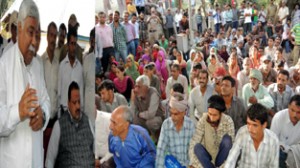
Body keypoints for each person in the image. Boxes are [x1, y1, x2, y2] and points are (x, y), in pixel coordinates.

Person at [0, 1, 50, 167]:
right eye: (30, 32)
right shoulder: (3, 65)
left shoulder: (38, 65)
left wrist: (43, 116)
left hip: (36, 161)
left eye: (38, 34)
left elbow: (46, 100)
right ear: (19, 28)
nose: (35, 42)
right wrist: (18, 112)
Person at [46, 82, 94, 167]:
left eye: (79, 102)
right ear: (68, 103)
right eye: (74, 103)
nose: (78, 106)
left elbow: (95, 150)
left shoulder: (88, 121)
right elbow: (49, 160)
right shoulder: (59, 125)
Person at [225, 103, 279, 168]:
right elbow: (231, 159)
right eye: (248, 123)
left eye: (255, 125)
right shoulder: (242, 132)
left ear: (264, 125)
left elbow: (273, 165)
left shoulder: (273, 140)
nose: (250, 129)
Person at [189, 95, 235, 168]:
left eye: (215, 115)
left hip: (221, 160)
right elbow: (193, 143)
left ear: (221, 114)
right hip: (207, 160)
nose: (212, 118)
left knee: (227, 141)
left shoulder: (228, 121)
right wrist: (200, 166)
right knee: (197, 147)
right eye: (210, 114)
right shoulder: (203, 120)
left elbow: (232, 151)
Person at [156, 93, 195, 168]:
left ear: (184, 112)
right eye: (171, 113)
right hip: (171, 164)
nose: (172, 117)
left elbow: (193, 149)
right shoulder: (166, 124)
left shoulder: (190, 125)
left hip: (186, 164)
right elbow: (161, 150)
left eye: (176, 114)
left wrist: (191, 164)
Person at [130, 75, 164, 142]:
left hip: (157, 118)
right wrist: (132, 100)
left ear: (146, 87)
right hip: (144, 118)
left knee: (150, 122)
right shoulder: (137, 94)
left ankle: (157, 138)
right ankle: (143, 140)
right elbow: (132, 112)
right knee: (133, 120)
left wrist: (139, 114)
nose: (136, 89)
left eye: (139, 86)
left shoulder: (153, 92)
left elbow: (151, 114)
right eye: (136, 86)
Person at [58, 28, 84, 113]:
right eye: (71, 44)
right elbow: (59, 91)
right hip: (63, 111)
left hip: (76, 112)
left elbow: (81, 93)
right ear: (68, 45)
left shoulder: (79, 67)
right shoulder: (62, 66)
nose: (73, 47)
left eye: (75, 44)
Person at [270, 94, 300, 167]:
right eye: (292, 110)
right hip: (280, 152)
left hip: (296, 152)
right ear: (288, 106)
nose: (294, 115)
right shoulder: (279, 117)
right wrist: (286, 149)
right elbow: (272, 140)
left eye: (298, 112)